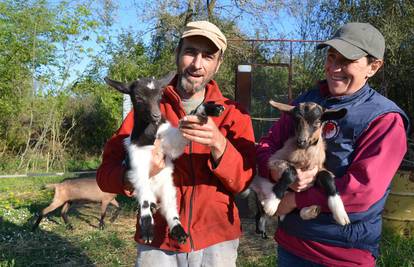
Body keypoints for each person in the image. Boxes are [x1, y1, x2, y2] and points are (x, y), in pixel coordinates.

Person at [96, 20, 256, 267]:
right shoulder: (145, 109)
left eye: (208, 56)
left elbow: (245, 180)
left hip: (217, 242)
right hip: (159, 242)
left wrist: (219, 145)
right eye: (190, 52)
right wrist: (134, 175)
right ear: (177, 53)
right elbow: (105, 176)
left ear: (218, 64)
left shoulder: (233, 114)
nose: (197, 64)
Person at [256, 22, 410, 267]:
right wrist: (273, 169)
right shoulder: (307, 101)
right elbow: (267, 144)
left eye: (347, 60)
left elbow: (363, 189)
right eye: (331, 56)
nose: (334, 68)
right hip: (291, 245)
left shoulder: (384, 119)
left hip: (341, 254)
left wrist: (295, 201)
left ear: (373, 67)